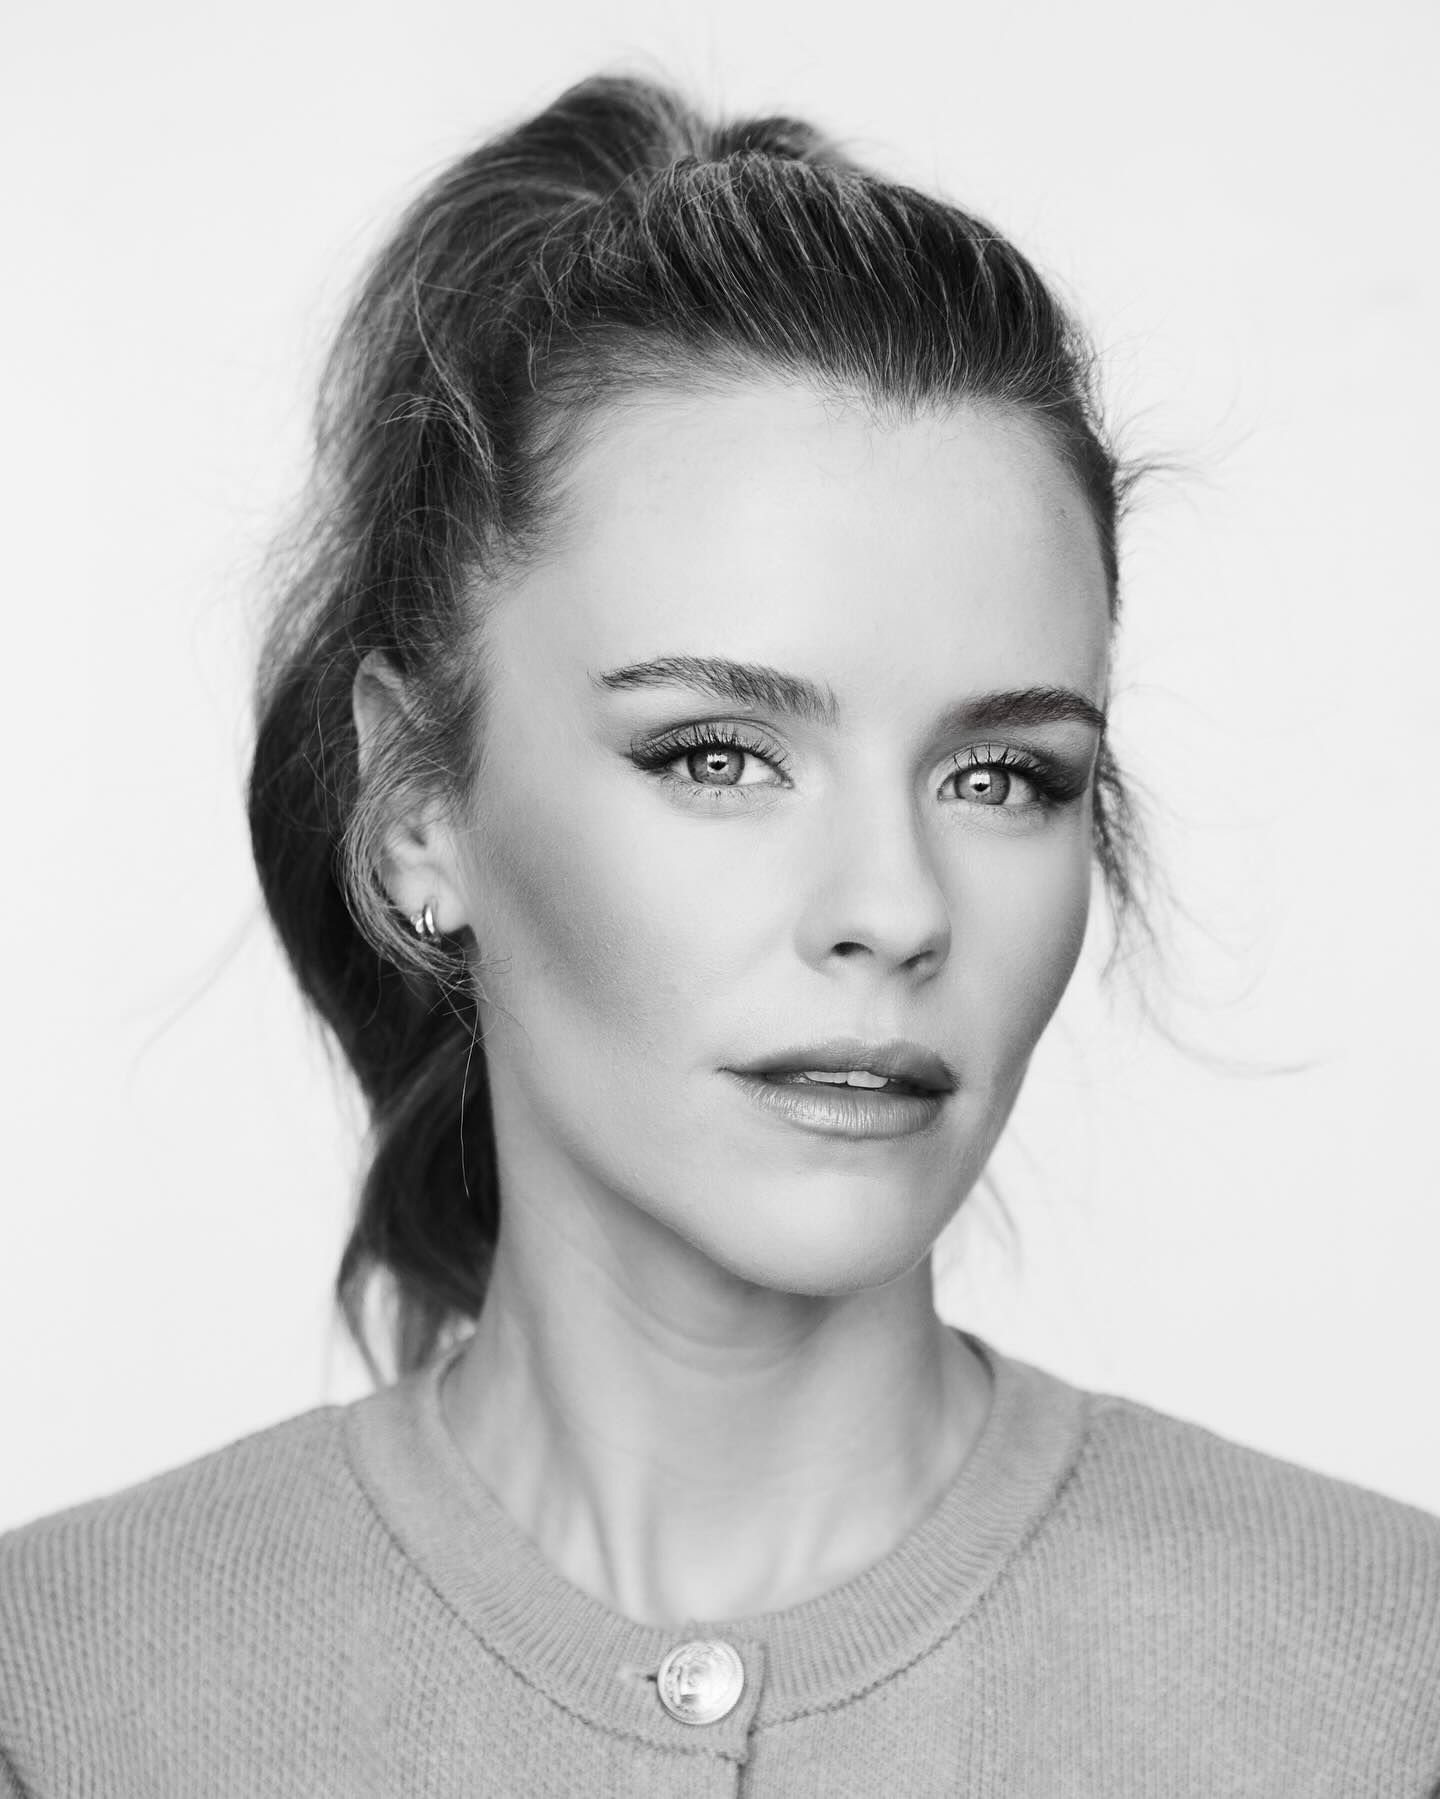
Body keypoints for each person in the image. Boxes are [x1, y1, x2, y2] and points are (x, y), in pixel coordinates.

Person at [2, 70, 1437, 1799]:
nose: (895, 910)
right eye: (718, 756)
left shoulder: (1383, 1687)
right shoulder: (66, 1701)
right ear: (418, 811)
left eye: (1001, 776)